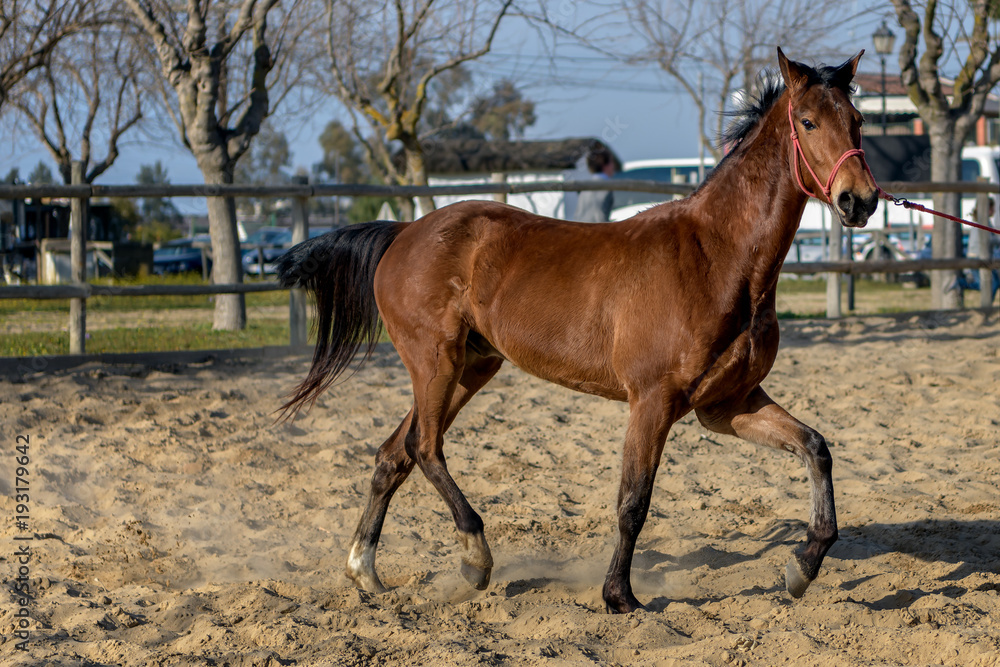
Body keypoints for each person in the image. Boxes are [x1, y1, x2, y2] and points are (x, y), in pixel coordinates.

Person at [574, 145, 616, 223]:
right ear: (605, 165)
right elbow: (601, 218)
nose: (613, 166)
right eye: (611, 162)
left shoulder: (584, 187)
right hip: (596, 231)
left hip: (579, 229)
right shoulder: (607, 187)